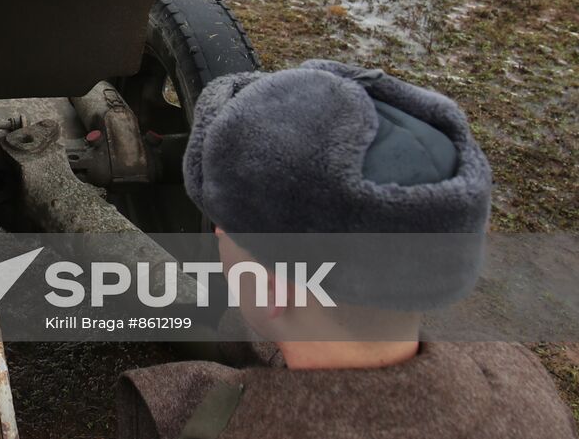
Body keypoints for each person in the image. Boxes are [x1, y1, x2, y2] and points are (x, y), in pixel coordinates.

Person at [115, 60, 573, 439]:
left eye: (228, 229)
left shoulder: (199, 421)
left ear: (275, 286)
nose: (216, 234)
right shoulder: (520, 381)